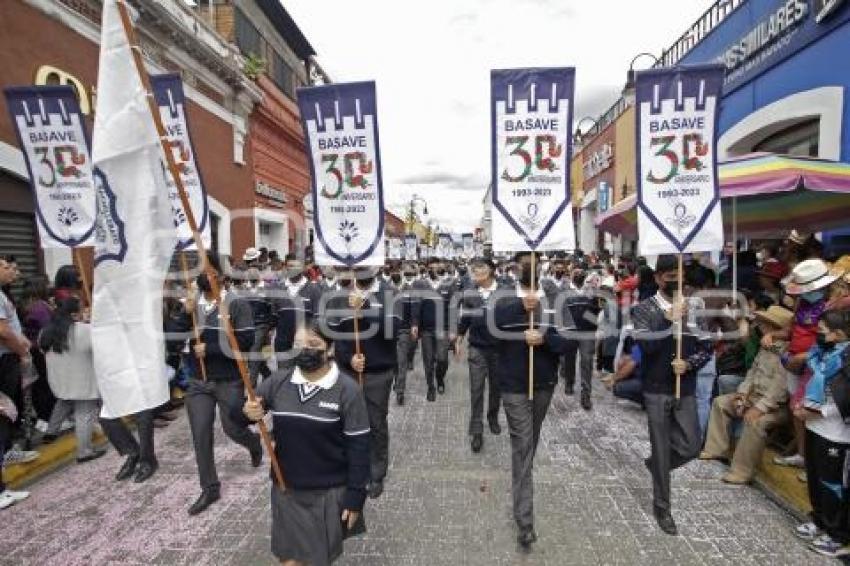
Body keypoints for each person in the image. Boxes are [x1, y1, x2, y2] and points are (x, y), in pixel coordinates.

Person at [240, 322, 369, 565]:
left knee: (316, 560)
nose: (305, 350)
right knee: (288, 559)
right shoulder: (278, 382)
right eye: (299, 345)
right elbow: (240, 417)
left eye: (313, 345)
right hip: (286, 490)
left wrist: (355, 497)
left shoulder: (347, 390)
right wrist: (248, 411)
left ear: (329, 349)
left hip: (327, 494)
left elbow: (359, 447)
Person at [493, 250, 575, 548]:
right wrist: (518, 308)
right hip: (513, 385)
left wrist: (544, 336)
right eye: (525, 262)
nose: (530, 266)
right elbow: (488, 334)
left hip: (543, 384)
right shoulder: (502, 297)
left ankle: (523, 480)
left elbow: (569, 341)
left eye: (535, 261)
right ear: (516, 267)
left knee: (529, 444)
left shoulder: (557, 297)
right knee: (523, 445)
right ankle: (525, 521)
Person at [631, 254, 712, 535]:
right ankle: (662, 507)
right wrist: (667, 322)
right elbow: (647, 348)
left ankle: (656, 465)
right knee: (662, 447)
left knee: (691, 445)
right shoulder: (643, 309)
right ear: (657, 278)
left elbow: (707, 347)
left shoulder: (695, 308)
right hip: (655, 390)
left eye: (680, 276)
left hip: (684, 387)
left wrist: (689, 364)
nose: (676, 281)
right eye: (669, 276)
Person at [177, 253, 263, 515]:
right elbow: (175, 338)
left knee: (232, 428)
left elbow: (247, 342)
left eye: (210, 271)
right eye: (201, 272)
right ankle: (209, 487)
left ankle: (253, 443)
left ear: (222, 275)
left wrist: (212, 349)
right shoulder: (191, 305)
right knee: (200, 433)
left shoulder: (236, 304)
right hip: (198, 381)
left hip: (229, 380)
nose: (206, 276)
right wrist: (184, 315)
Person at [326, 267, 398, 500]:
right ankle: (353, 468)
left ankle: (377, 473)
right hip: (348, 373)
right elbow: (336, 336)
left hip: (378, 373)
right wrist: (348, 358)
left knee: (376, 424)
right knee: (348, 422)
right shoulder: (340, 298)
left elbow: (394, 330)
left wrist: (365, 310)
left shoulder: (390, 293)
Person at [700, 305, 794, 484]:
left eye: (765, 323)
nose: (760, 325)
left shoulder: (786, 352)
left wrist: (760, 408)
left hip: (775, 406)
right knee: (721, 403)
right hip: (754, 396)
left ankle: (742, 471)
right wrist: (742, 394)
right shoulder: (766, 346)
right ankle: (716, 449)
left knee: (756, 422)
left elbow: (780, 388)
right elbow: (752, 373)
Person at [794, 311, 850, 558]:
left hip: (836, 433)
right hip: (814, 425)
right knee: (815, 476)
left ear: (838, 335)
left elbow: (845, 399)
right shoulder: (823, 354)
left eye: (823, 330)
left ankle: (835, 533)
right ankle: (818, 520)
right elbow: (817, 385)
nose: (819, 333)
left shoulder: (846, 359)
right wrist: (804, 406)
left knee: (832, 484)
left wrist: (818, 413)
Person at [774, 259, 837, 471]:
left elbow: (832, 340)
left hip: (816, 365)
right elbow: (792, 329)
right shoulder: (803, 304)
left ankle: (812, 461)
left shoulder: (832, 308)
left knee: (807, 409)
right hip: (796, 363)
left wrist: (805, 356)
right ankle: (803, 454)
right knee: (797, 408)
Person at [38, 297, 105, 463]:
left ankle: (50, 433)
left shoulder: (45, 332)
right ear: (75, 313)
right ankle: (84, 452)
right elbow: (101, 348)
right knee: (84, 414)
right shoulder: (84, 330)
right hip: (82, 380)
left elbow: (41, 350)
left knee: (63, 402)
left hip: (59, 380)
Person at [456, 256, 502, 453]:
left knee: (496, 387)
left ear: (490, 270)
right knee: (476, 390)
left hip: (500, 350)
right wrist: (458, 338)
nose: (475, 272)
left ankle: (492, 416)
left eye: (479, 269)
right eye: (473, 270)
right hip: (477, 348)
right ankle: (476, 431)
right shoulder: (470, 294)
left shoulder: (504, 292)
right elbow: (465, 318)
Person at [0, 255, 32, 509]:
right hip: (5, 359)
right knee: (5, 412)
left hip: (9, 357)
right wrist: (21, 349)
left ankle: (8, 449)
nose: (12, 270)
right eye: (6, 266)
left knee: (8, 413)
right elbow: (3, 330)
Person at [412, 258, 455, 401]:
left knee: (442, 359)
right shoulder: (420, 284)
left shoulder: (449, 284)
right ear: (427, 268)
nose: (434, 269)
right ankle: (431, 387)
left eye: (437, 267)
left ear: (442, 268)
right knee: (428, 359)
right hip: (426, 330)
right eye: (431, 267)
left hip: (443, 328)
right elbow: (416, 305)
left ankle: (440, 377)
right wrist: (414, 324)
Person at [274, 254, 323, 376]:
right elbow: (274, 316)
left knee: (306, 379)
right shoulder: (279, 289)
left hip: (306, 347)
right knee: (283, 380)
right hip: (283, 346)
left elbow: (318, 319)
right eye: (289, 266)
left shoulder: (314, 290)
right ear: (285, 267)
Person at [563, 270, 600, 410]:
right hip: (571, 331)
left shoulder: (592, 292)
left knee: (587, 361)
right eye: (576, 274)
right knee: (569, 358)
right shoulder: (565, 291)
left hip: (587, 332)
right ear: (572, 277)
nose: (578, 277)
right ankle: (569, 382)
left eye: (581, 275)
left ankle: (586, 394)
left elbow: (597, 310)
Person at [391, 262, 419, 406]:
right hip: (388, 331)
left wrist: (414, 325)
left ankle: (400, 391)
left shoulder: (409, 289)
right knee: (394, 362)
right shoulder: (385, 288)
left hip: (403, 330)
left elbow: (414, 308)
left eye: (398, 271)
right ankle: (397, 381)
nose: (396, 273)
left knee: (401, 361)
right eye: (393, 271)